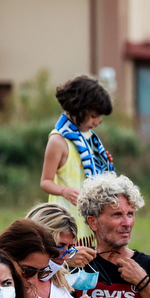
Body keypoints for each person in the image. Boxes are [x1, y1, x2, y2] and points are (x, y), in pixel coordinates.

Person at [40, 75, 114, 207]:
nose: (97, 122)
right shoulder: (58, 141)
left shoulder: (90, 138)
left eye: (99, 118)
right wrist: (64, 191)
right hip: (66, 216)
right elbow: (45, 182)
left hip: (88, 215)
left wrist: (103, 163)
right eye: (93, 116)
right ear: (78, 109)